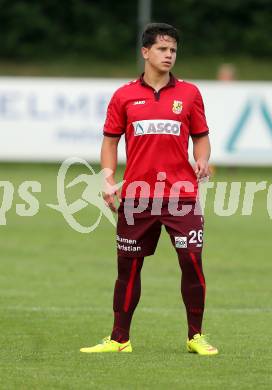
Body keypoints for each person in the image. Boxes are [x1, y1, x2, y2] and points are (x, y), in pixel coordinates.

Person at [80, 23, 218, 356]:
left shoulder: (189, 94)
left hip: (181, 196)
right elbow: (110, 141)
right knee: (128, 267)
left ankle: (196, 336)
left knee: (191, 260)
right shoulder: (124, 95)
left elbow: (200, 136)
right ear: (145, 52)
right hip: (138, 197)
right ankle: (119, 339)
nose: (168, 55)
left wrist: (202, 160)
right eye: (162, 49)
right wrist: (108, 177)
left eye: (173, 50)